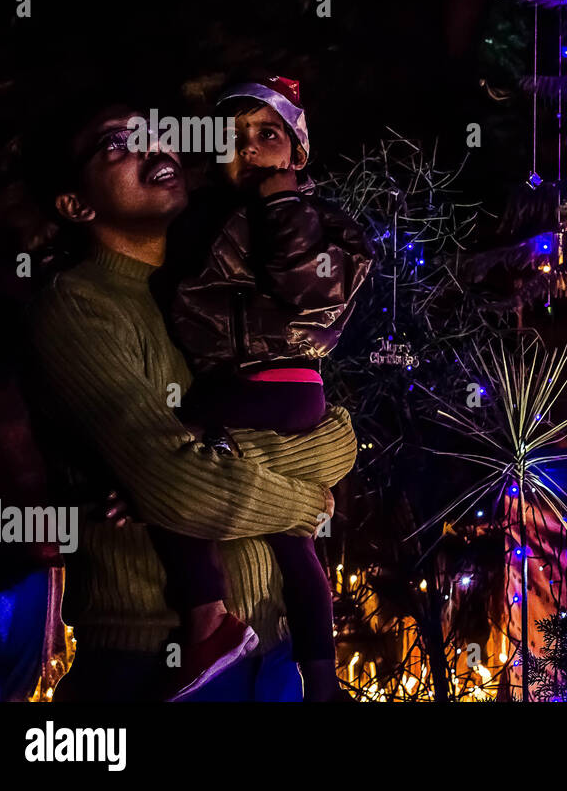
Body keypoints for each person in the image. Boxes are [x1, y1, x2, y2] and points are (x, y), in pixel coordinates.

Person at [27, 100, 358, 702]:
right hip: (157, 662)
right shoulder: (77, 306)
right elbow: (176, 485)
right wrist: (308, 502)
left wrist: (223, 453)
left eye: (157, 132)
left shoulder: (208, 290)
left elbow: (333, 434)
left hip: (274, 654)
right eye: (117, 143)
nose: (152, 146)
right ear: (77, 205)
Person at [154, 75, 371, 701]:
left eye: (267, 136)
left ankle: (209, 618)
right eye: (236, 138)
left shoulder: (323, 223)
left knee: (170, 456)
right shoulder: (204, 222)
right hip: (234, 383)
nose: (250, 150)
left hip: (285, 382)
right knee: (294, 544)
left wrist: (283, 209)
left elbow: (315, 293)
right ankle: (322, 685)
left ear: (297, 152)